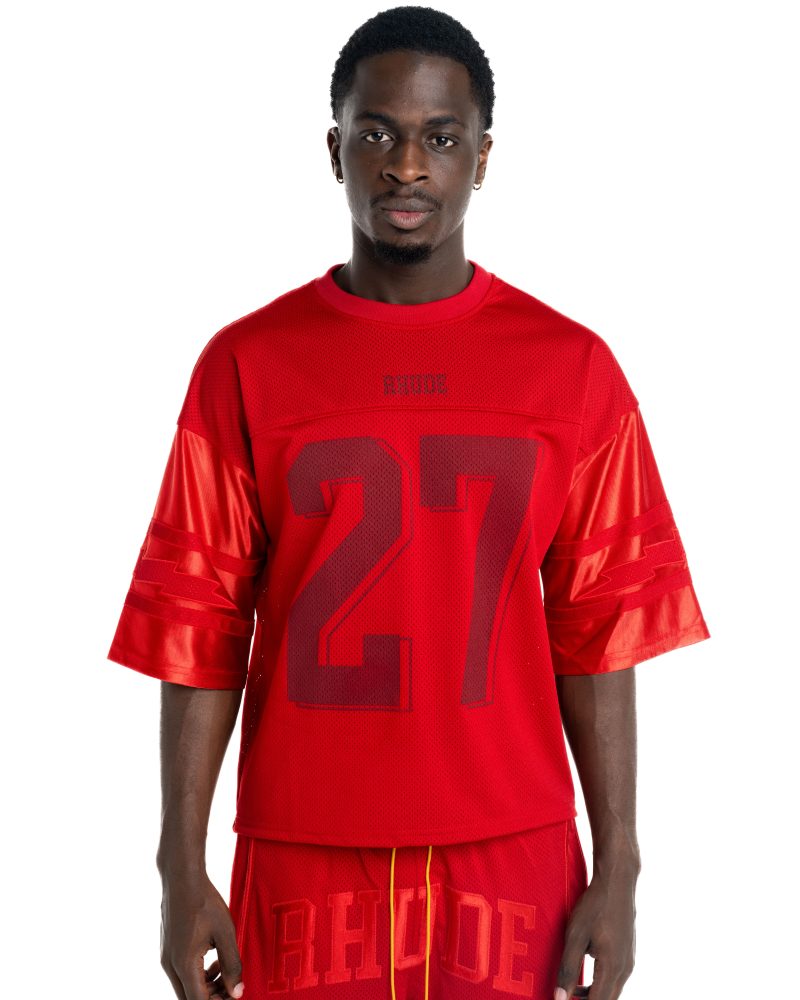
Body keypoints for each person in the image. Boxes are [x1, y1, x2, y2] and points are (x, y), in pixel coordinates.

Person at [107, 7, 710, 1000]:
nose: (406, 166)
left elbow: (600, 634)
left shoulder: (573, 369)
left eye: (440, 137)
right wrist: (178, 866)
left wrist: (620, 870)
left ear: (482, 159)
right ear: (333, 148)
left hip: (511, 852)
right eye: (377, 132)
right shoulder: (244, 364)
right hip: (301, 848)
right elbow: (198, 631)